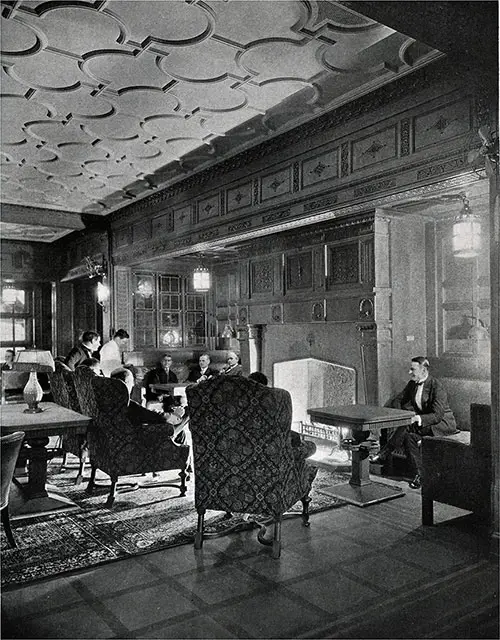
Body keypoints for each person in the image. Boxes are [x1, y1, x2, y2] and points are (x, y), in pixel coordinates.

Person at [247, 371, 317, 545]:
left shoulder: (233, 416)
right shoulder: (275, 404)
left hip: (238, 482)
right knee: (307, 450)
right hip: (274, 481)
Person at [370, 356, 458, 489]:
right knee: (409, 437)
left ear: (424, 371)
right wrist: (398, 414)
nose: (409, 372)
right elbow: (399, 400)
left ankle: (383, 454)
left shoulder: (436, 386)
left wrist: (418, 418)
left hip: (441, 424)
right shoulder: (412, 384)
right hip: (425, 423)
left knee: (406, 426)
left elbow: (438, 415)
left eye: (413, 369)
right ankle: (419, 475)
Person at [111, 368, 188, 445]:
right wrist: (176, 415)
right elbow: (159, 418)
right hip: (137, 443)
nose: (133, 385)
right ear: (125, 383)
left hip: (115, 443)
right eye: (132, 382)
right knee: (185, 416)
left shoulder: (106, 402)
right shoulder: (129, 404)